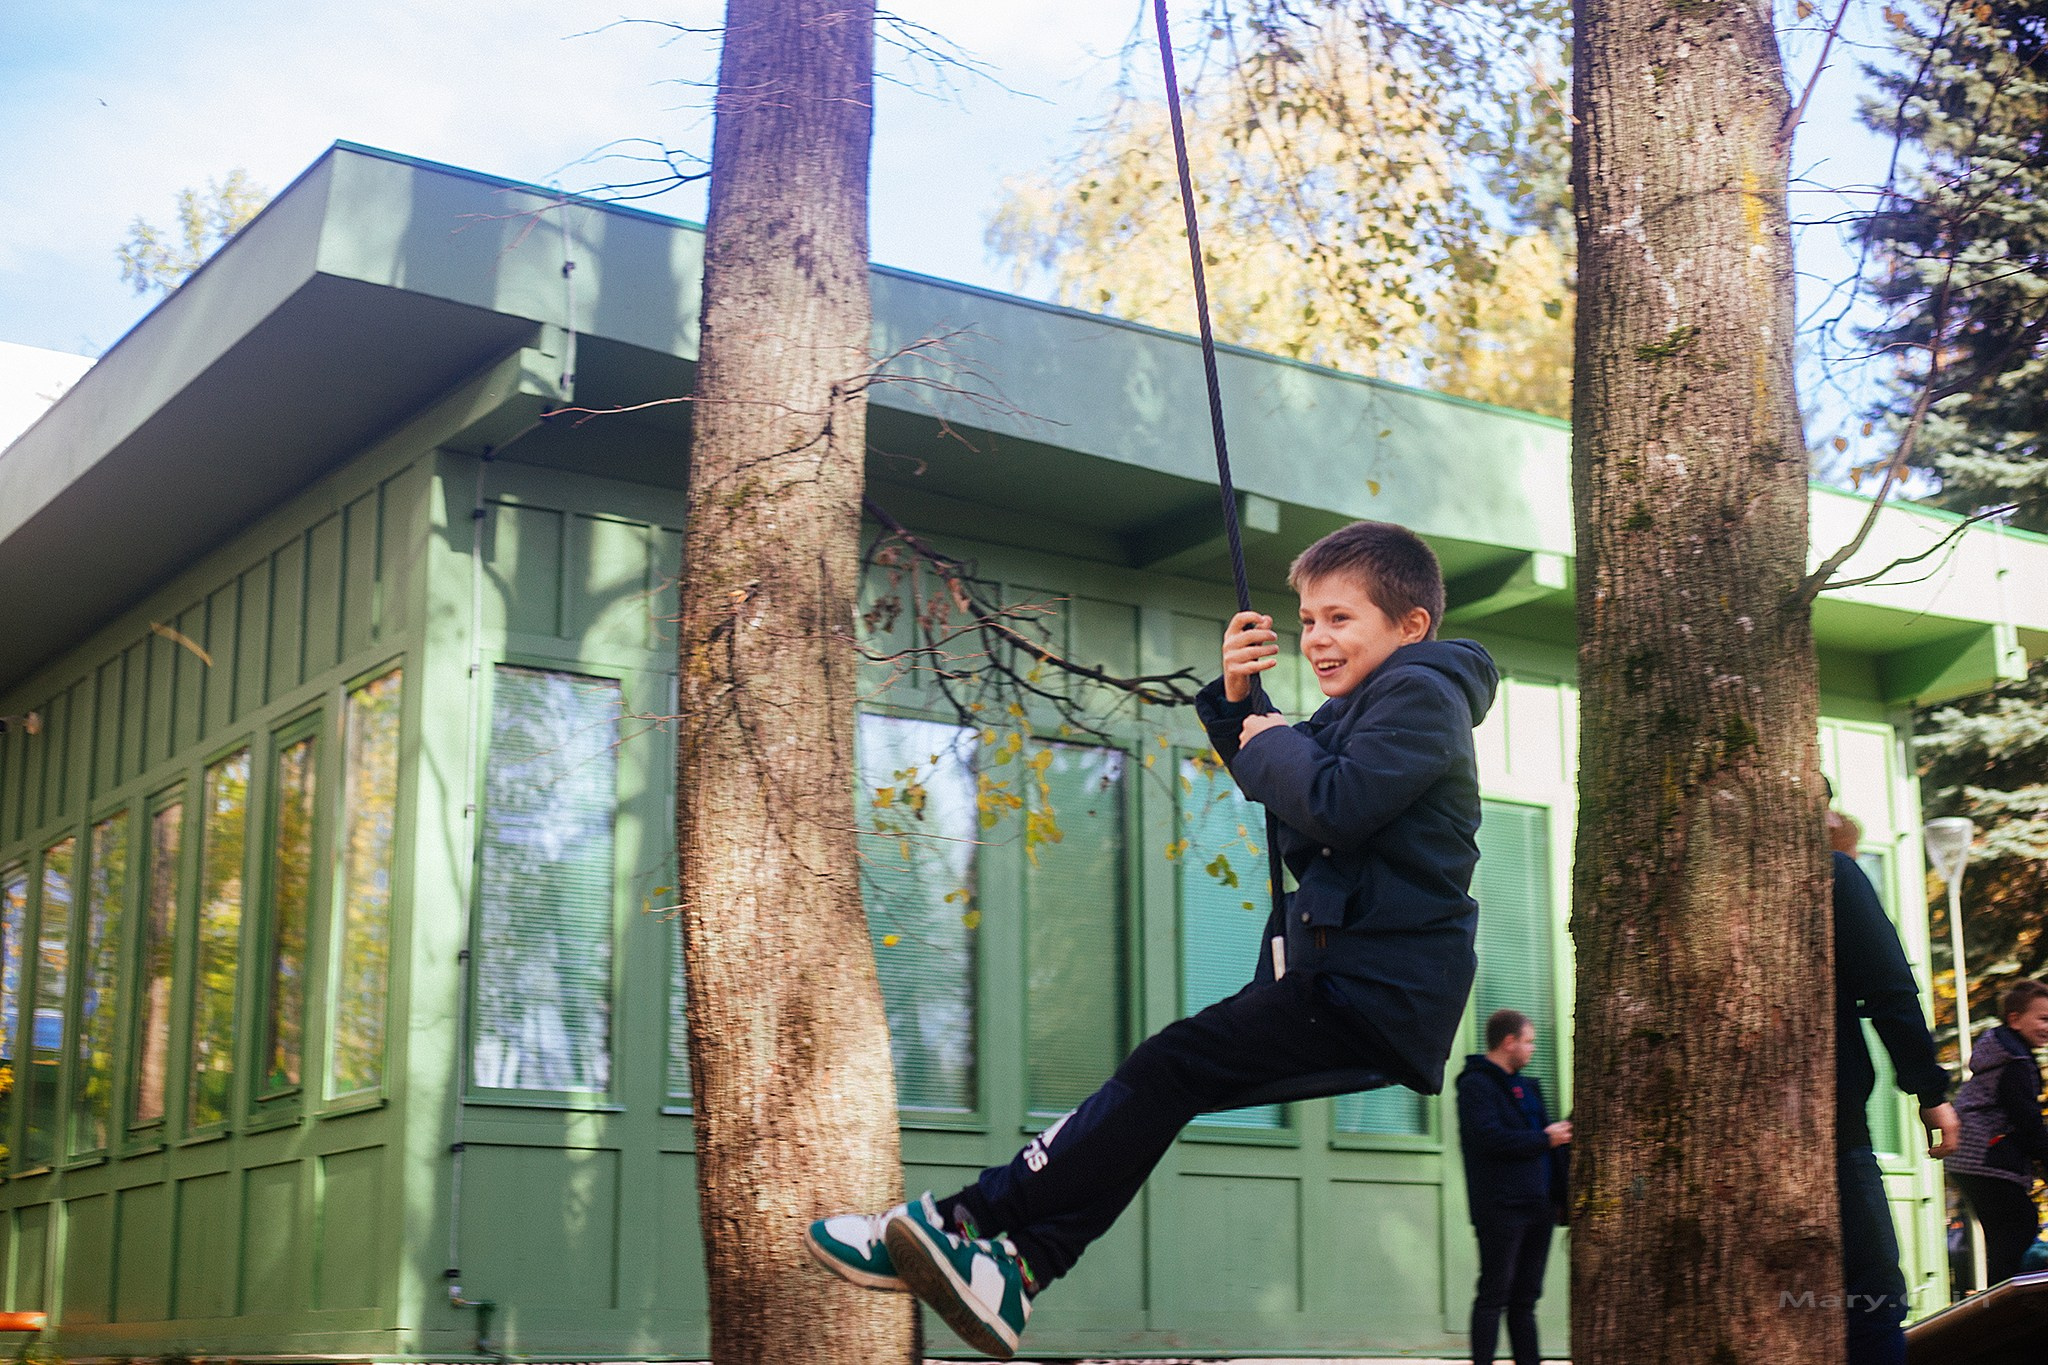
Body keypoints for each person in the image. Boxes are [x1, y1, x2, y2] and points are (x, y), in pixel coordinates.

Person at [806, 520, 1498, 1358]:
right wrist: (1242, 699)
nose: (1316, 637)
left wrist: (1271, 737)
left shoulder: (1423, 694)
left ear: (1411, 625)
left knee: (1168, 1067)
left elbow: (1333, 800)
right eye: (1308, 618)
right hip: (1346, 980)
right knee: (1170, 1081)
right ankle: (1015, 1264)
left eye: (1340, 618)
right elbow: (1279, 764)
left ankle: (968, 1222)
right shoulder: (1367, 706)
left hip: (1373, 986)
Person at [1825, 804, 1957, 1364]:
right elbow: (1890, 989)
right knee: (1874, 1294)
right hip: (1828, 1120)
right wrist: (1931, 1093)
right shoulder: (1830, 871)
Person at [1455, 1008, 1569, 1365]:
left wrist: (1560, 1198)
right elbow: (1490, 1139)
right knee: (1494, 1293)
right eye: (1529, 1042)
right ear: (1509, 1042)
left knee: (1526, 1299)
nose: (1532, 1049)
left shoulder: (1529, 1088)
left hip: (1539, 1206)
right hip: (1501, 1207)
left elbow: (1553, 1146)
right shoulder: (1476, 1085)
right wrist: (1543, 1139)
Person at [1944, 977, 2048, 1286]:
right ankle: (2006, 1299)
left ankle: (2003, 1290)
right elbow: (2025, 1118)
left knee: (2008, 1228)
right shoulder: (2014, 1061)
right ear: (2015, 1020)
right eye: (2042, 1018)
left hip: (1972, 1157)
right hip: (1987, 1155)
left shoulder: (2004, 1051)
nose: (2047, 1026)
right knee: (2019, 1224)